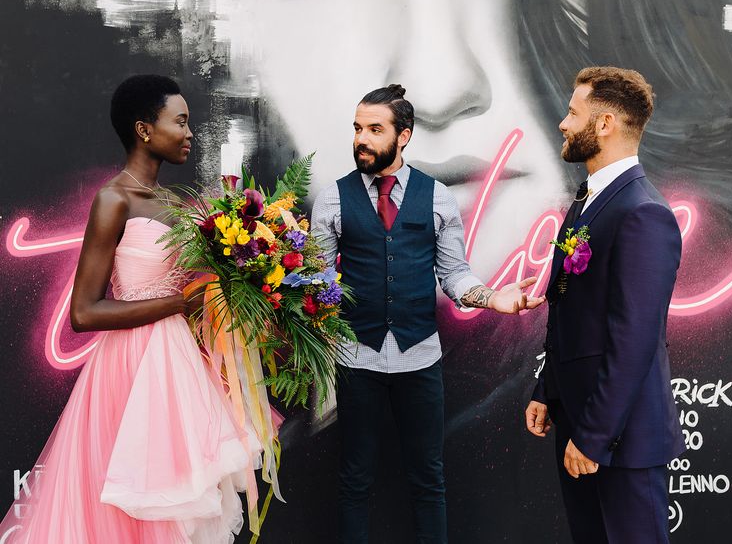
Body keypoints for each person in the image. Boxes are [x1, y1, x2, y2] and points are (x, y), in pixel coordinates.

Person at [0, 75, 257, 543]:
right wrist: (177, 302)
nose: (190, 132)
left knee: (174, 506)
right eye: (180, 122)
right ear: (144, 129)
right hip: (130, 370)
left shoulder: (176, 203)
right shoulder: (113, 199)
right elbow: (84, 312)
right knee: (132, 513)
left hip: (180, 366)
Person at [311, 84, 544, 543]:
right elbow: (318, 284)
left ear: (404, 136)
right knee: (354, 479)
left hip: (420, 361)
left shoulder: (436, 197)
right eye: (358, 128)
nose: (362, 138)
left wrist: (493, 298)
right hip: (356, 360)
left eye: (375, 129)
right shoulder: (332, 199)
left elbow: (454, 274)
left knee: (428, 480)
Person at [524, 66, 686, 543]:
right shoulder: (586, 203)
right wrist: (546, 388)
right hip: (579, 423)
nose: (563, 123)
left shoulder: (644, 213)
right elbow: (575, 312)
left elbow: (634, 341)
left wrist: (593, 437)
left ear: (605, 124)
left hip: (619, 441)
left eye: (573, 113)